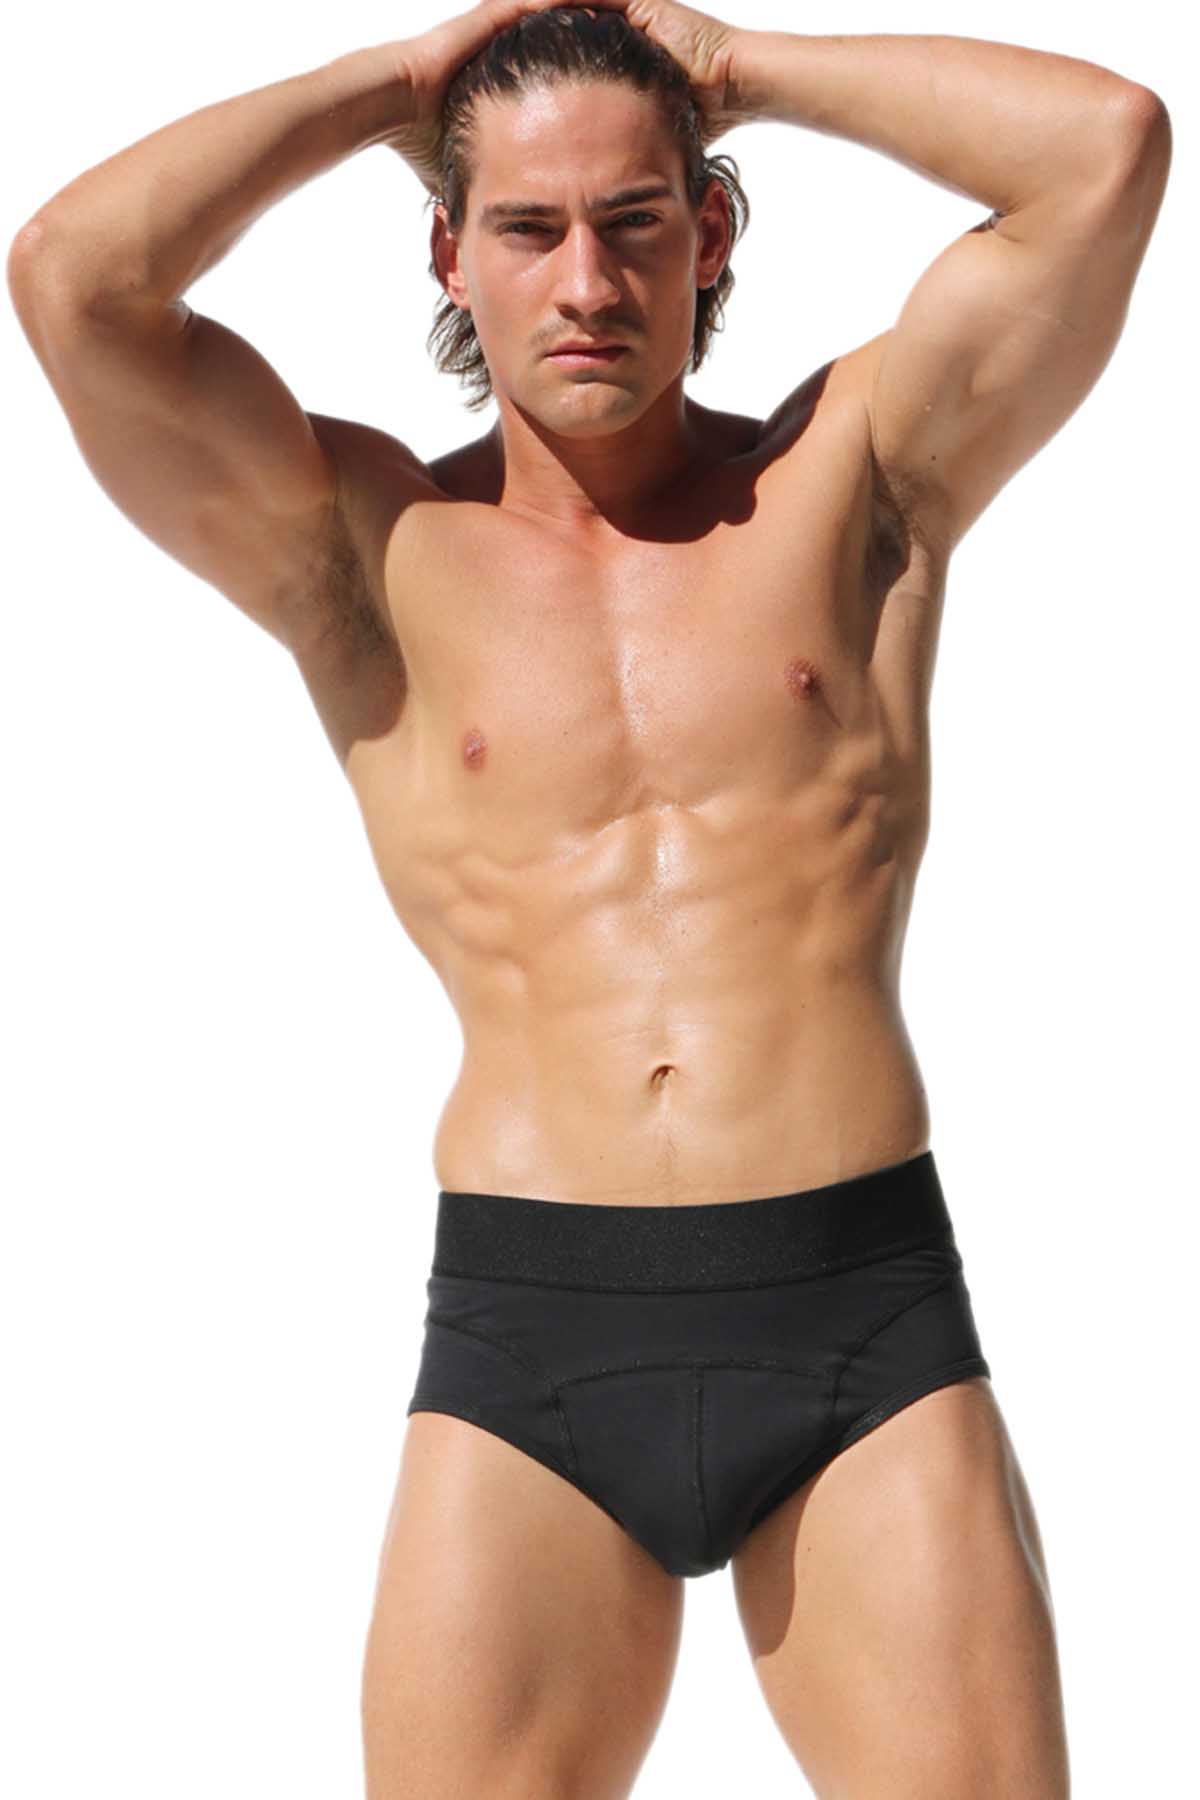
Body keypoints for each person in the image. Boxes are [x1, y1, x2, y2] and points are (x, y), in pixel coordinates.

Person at [7, 2, 1171, 1794]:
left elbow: (1105, 150)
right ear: (449, 255)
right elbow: (73, 282)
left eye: (634, 222)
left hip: (857, 1322)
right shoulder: (365, 543)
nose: (586, 283)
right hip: (531, 1343)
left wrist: (737, 71)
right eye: (528, 228)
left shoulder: (853, 477)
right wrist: (399, 90)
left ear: (710, 232)